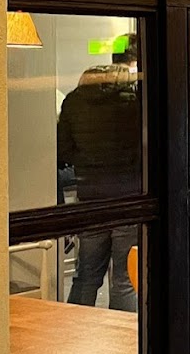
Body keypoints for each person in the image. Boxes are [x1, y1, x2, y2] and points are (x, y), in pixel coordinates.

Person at [57, 38, 142, 312]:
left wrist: (87, 161)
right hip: (128, 198)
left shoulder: (73, 101)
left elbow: (62, 151)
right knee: (125, 280)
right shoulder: (135, 101)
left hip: (90, 196)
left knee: (85, 278)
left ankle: (75, 337)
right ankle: (123, 345)